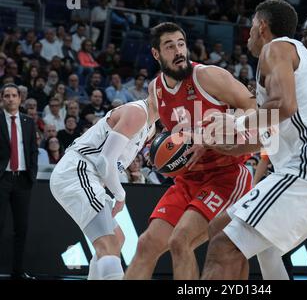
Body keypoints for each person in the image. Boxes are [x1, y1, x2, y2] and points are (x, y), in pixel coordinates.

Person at [199, 0, 307, 280]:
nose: (247, 34)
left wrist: (235, 121)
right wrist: (219, 144)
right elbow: (269, 136)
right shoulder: (287, 61)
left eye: (250, 27)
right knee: (222, 230)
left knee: (226, 244)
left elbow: (284, 106)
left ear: (262, 27)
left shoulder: (277, 48)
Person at [124, 22, 255, 280]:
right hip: (188, 178)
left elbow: (253, 105)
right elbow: (160, 130)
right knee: (146, 244)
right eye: (169, 46)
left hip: (225, 174)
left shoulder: (207, 76)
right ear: (156, 54)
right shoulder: (156, 88)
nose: (178, 51)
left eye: (181, 44)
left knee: (180, 241)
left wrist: (231, 123)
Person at [49, 92, 157, 280]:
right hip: (78, 171)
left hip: (90, 176)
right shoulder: (137, 112)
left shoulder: (151, 127)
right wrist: (120, 196)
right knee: (107, 244)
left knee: (116, 239)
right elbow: (104, 161)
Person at [0, 84, 38, 279]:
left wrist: (32, 174)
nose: (11, 99)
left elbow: (33, 150)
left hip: (22, 180)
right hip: (2, 179)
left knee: (21, 228)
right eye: (7, 96)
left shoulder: (28, 122)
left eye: (14, 95)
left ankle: (17, 271)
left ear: (20, 99)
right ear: (2, 99)